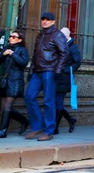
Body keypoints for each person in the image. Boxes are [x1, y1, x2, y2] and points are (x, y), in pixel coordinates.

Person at [25, 12, 69, 141]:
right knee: (29, 96)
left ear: (53, 22)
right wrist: (31, 70)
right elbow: (35, 55)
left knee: (48, 101)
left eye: (48, 20)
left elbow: (64, 53)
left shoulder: (57, 35)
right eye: (43, 19)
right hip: (38, 71)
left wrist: (57, 70)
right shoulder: (40, 35)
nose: (44, 21)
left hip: (49, 71)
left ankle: (49, 131)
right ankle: (37, 127)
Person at [0, 31, 30, 138]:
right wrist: (3, 55)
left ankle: (3, 131)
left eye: (14, 36)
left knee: (8, 106)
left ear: (20, 39)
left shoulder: (22, 50)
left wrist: (12, 54)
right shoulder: (7, 48)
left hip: (16, 81)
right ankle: (24, 121)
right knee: (5, 108)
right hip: (6, 81)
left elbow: (24, 63)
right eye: (10, 36)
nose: (11, 38)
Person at [54, 27, 81, 134]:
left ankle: (55, 127)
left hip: (64, 78)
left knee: (58, 102)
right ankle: (70, 119)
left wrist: (65, 70)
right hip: (56, 77)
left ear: (66, 37)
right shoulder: (58, 46)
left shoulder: (73, 48)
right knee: (56, 102)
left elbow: (77, 62)